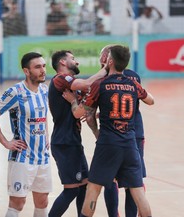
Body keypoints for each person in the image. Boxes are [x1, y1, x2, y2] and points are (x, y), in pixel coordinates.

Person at [62, 45, 154, 217]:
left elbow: (80, 113)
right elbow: (151, 101)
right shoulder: (133, 83)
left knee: (93, 189)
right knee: (138, 192)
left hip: (108, 144)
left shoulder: (100, 84)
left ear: (109, 61)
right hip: (130, 143)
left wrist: (74, 101)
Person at [0, 52, 52, 217]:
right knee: (17, 203)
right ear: (26, 71)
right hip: (22, 158)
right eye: (37, 67)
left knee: (42, 201)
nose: (43, 70)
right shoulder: (15, 92)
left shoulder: (44, 90)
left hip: (43, 157)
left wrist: (47, 136)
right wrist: (6, 142)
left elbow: (43, 118)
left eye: (43, 66)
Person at [48, 50, 108, 217]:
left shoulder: (71, 87)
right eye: (73, 59)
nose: (77, 62)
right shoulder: (59, 79)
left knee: (84, 186)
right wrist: (105, 69)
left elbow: (80, 110)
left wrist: (91, 112)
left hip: (73, 142)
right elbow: (88, 84)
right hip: (64, 143)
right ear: (62, 63)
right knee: (71, 190)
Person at [96, 45, 148, 217]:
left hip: (115, 136)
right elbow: (141, 101)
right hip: (134, 133)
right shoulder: (133, 77)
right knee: (134, 182)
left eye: (102, 57)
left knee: (109, 179)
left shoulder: (102, 81)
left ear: (107, 60)